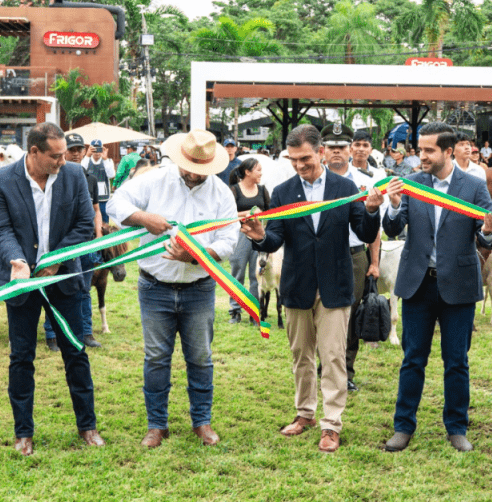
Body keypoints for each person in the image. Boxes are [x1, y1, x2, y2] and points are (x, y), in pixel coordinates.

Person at [241, 124, 383, 453]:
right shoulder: (283, 192)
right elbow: (276, 238)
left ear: (320, 152)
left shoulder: (345, 187)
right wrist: (260, 236)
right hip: (297, 284)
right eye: (293, 160)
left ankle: (331, 424)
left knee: (333, 357)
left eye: (305, 158)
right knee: (300, 356)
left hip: (335, 283)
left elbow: (364, 232)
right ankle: (304, 413)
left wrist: (372, 209)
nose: (299, 165)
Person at [108, 129, 239, 448]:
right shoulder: (155, 180)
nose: (193, 173)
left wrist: (196, 256)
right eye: (189, 166)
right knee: (156, 358)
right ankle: (157, 425)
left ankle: (202, 422)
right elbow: (115, 203)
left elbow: (229, 240)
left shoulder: (221, 193)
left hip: (199, 288)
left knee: (201, 357)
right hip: (155, 287)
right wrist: (144, 218)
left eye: (201, 169)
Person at [381, 122, 492, 454]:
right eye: (420, 149)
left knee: (457, 361)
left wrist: (489, 231)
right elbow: (392, 228)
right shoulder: (411, 184)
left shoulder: (474, 186)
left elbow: (487, 236)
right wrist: (393, 204)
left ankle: (457, 428)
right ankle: (403, 426)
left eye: (429, 150)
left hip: (458, 285)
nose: (421, 156)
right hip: (417, 285)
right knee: (412, 359)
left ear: (448, 152)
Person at [0, 122, 103, 456]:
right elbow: (1, 230)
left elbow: (84, 225)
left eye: (65, 154)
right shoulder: (0, 181)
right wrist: (18, 261)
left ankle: (88, 427)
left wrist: (56, 260)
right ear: (34, 152)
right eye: (56, 156)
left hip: (63, 279)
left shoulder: (75, 176)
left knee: (76, 353)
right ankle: (23, 433)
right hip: (22, 283)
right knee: (21, 357)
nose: (64, 161)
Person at [320, 124, 382, 392]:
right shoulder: (313, 179)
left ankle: (345, 371)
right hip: (321, 254)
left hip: (354, 254)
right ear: (322, 151)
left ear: (350, 150)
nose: (337, 152)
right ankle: (323, 367)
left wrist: (375, 262)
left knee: (352, 313)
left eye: (341, 147)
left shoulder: (365, 182)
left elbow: (375, 226)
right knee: (319, 311)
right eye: (331, 147)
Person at [42, 133, 105, 351]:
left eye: (79, 149)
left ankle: (86, 331)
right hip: (62, 246)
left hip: (85, 244)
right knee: (53, 288)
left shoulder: (90, 179)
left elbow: (96, 210)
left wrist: (98, 235)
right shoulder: (52, 177)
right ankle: (52, 333)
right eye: (71, 149)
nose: (76, 153)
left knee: (84, 289)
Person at [227, 158, 270, 324]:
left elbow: (271, 212)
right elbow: (227, 215)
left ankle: (254, 311)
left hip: (258, 237)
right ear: (247, 172)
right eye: (258, 170)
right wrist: (248, 213)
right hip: (239, 236)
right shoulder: (234, 190)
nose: (261, 173)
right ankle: (235, 311)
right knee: (237, 273)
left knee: (256, 274)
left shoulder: (262, 190)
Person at [81, 139, 116, 223]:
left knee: (104, 220)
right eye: (94, 149)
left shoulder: (108, 161)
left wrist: (105, 159)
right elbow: (81, 172)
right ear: (90, 149)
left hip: (104, 198)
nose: (96, 152)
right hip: (90, 197)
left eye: (99, 149)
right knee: (90, 220)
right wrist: (87, 156)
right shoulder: (86, 161)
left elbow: (111, 175)